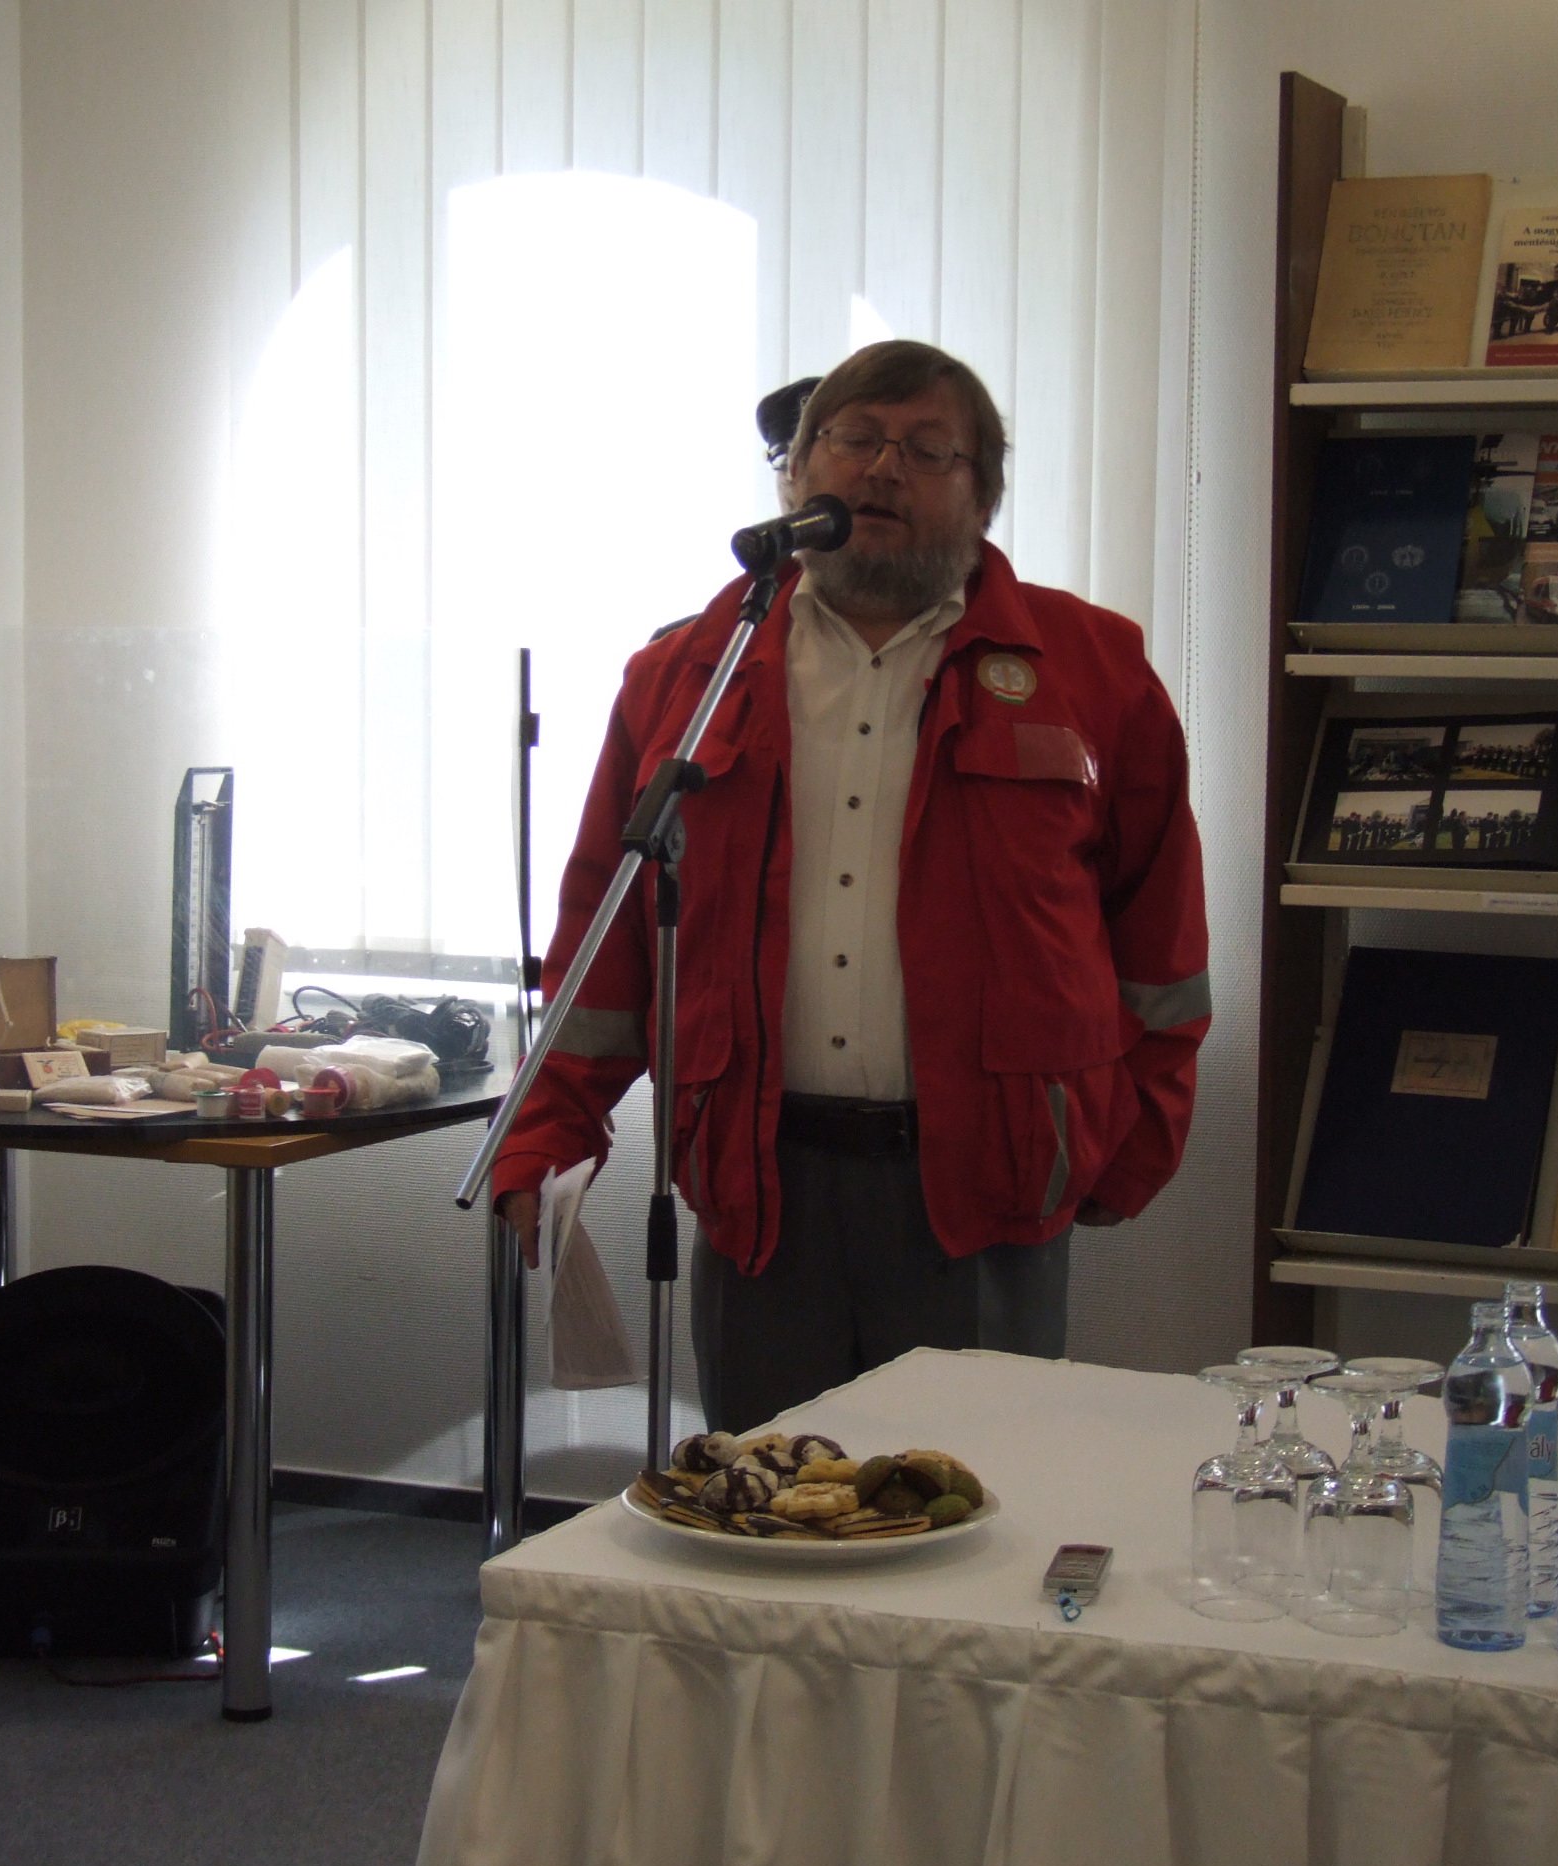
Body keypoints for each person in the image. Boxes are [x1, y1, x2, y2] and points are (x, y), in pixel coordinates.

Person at [492, 340, 1209, 1433]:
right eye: (854, 439)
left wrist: (1130, 1145)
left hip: (986, 1185)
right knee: (769, 1506)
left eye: (927, 450)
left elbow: (1160, 938)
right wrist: (549, 1128)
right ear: (795, 476)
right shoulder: (686, 676)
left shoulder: (1094, 670)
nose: (882, 470)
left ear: (983, 496)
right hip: (758, 1186)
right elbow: (606, 933)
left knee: (981, 1502)